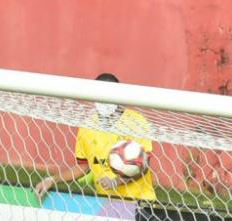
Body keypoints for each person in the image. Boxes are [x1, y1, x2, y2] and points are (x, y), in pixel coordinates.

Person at [35, 72, 156, 201]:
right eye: (99, 95)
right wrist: (52, 180)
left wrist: (116, 182)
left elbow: (143, 165)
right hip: (105, 203)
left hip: (139, 201)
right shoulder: (87, 126)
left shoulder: (136, 121)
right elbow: (83, 167)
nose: (104, 100)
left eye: (109, 95)